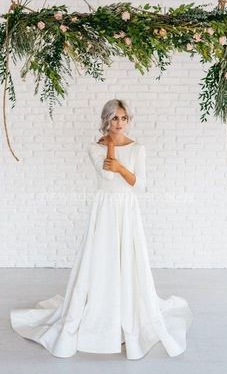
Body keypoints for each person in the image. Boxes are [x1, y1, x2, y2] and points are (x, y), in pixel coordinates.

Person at [10, 99, 193, 360]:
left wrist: (119, 166)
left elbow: (140, 186)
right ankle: (99, 314)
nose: (119, 123)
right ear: (106, 120)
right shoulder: (94, 148)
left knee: (128, 261)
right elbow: (106, 177)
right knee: (101, 260)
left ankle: (126, 318)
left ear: (128, 120)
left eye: (123, 118)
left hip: (126, 210)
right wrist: (110, 149)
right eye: (114, 118)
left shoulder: (138, 148)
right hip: (104, 208)